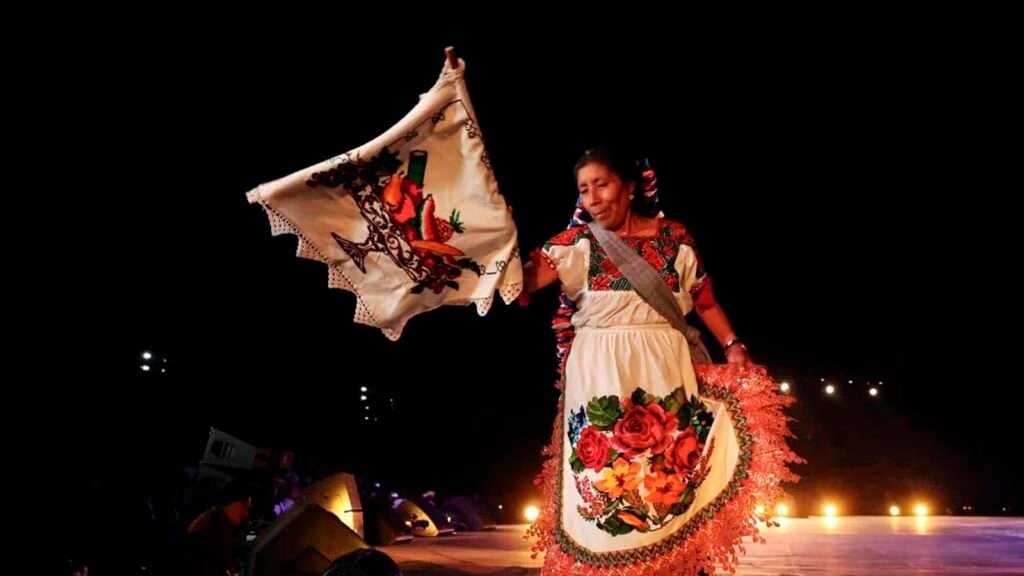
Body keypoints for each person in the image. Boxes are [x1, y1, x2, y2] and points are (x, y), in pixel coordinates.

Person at [522, 146, 795, 575]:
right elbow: (521, 283)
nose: (592, 198)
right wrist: (493, 251)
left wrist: (732, 344)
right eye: (584, 189)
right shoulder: (576, 244)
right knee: (606, 480)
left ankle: (679, 567)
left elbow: (704, 300)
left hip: (664, 369)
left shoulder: (674, 238)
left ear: (629, 187)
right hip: (600, 373)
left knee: (667, 478)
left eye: (601, 184)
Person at [184, 480, 253, 576]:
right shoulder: (216, 529)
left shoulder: (216, 519)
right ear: (237, 505)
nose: (246, 514)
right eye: (246, 507)